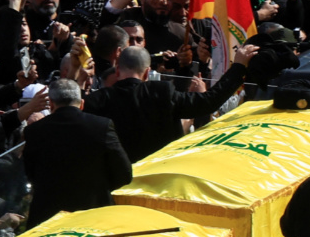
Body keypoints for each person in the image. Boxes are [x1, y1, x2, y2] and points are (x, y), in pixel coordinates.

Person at [84, 45, 257, 162]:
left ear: (118, 70)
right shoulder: (162, 92)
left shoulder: (97, 101)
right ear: (147, 73)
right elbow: (208, 102)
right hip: (161, 178)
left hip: (118, 185)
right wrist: (239, 67)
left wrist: (78, 76)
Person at [22, 79, 131, 227]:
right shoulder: (102, 126)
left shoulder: (34, 131)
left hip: (48, 218)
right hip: (93, 213)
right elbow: (124, 174)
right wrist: (99, 188)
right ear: (82, 104)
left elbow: (30, 174)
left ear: (52, 104)